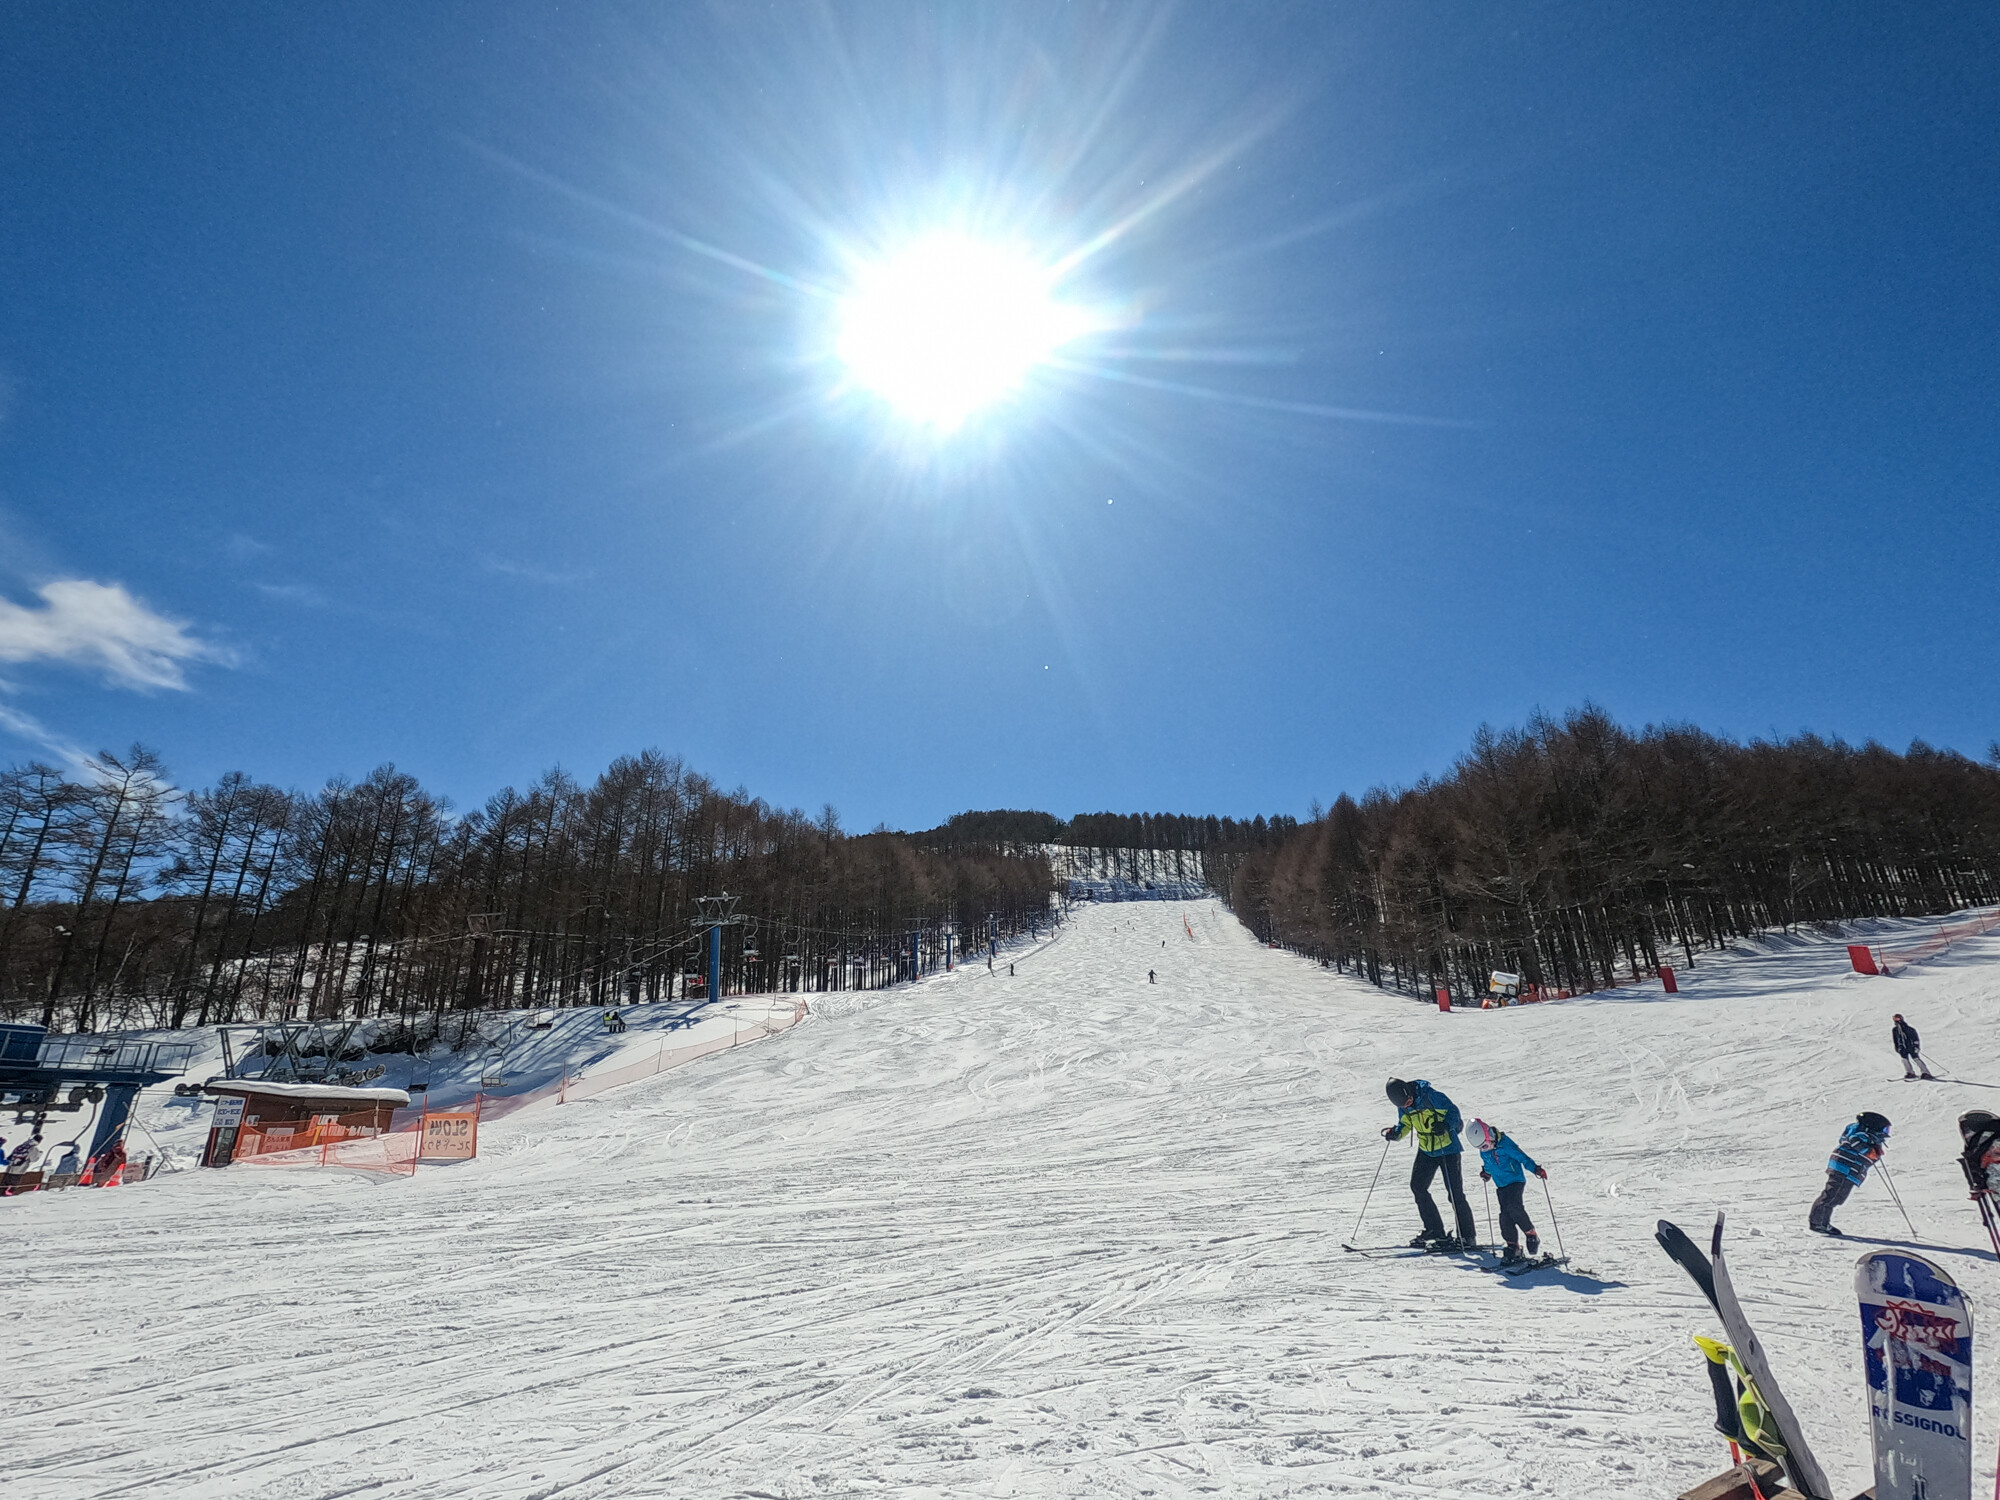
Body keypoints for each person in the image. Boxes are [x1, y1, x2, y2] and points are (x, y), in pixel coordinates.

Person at [1383, 1078, 1477, 1250]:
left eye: (1408, 1101)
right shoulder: (1403, 1105)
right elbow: (1405, 1123)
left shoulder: (1430, 1096)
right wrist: (1395, 1134)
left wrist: (1445, 1125)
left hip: (1448, 1149)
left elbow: (1453, 1113)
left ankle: (1467, 1236)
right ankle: (1434, 1230)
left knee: (1455, 1194)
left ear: (1409, 1092)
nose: (1407, 1105)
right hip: (1427, 1149)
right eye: (1404, 1105)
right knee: (1418, 1186)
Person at [1471, 1119, 1547, 1265]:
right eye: (1481, 1148)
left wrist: (1535, 1169)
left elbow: (1522, 1158)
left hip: (1515, 1181)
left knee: (1514, 1207)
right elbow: (1489, 1164)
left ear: (1490, 1136)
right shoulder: (1484, 1150)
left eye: (1485, 1145)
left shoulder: (1506, 1145)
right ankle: (1513, 1246)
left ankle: (1531, 1233)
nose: (1484, 1149)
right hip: (1501, 1185)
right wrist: (1486, 1173)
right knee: (1504, 1216)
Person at [1809, 1112, 1890, 1236]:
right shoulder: (1861, 1135)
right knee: (1832, 1195)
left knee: (1837, 1197)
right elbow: (1855, 1142)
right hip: (1844, 1168)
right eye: (1884, 1129)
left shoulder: (1867, 1137)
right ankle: (1818, 1223)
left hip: (1848, 1170)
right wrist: (1870, 1150)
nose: (1886, 1132)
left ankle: (1821, 1222)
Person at [1891, 1014, 1933, 1080]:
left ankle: (1926, 1072)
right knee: (1904, 1060)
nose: (1896, 1020)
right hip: (1902, 1048)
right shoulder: (1895, 1030)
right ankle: (1910, 1072)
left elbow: (1915, 1038)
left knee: (1916, 1059)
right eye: (1894, 1019)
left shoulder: (1909, 1029)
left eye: (1897, 1018)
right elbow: (1895, 1040)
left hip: (1911, 1047)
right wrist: (1897, 1048)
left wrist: (1916, 1046)